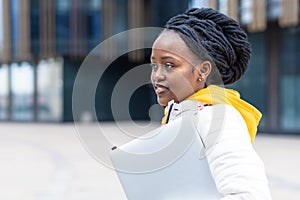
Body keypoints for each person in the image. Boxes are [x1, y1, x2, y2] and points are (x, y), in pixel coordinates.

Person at [150, 7, 272, 199]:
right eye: (154, 65)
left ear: (203, 70)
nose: (157, 75)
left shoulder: (218, 120)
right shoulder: (180, 115)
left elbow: (248, 195)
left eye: (169, 65)